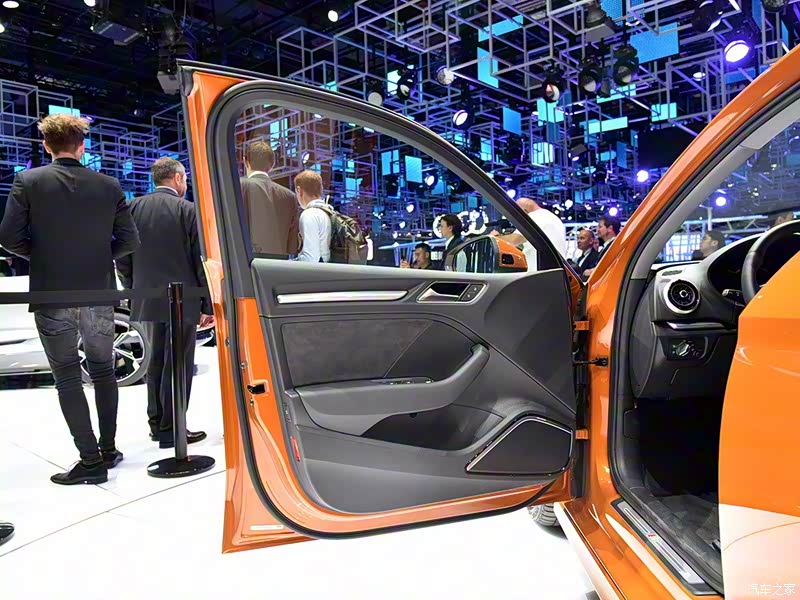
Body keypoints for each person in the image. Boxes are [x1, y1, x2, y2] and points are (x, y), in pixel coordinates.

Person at [0, 114, 139, 485]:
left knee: (66, 376)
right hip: (98, 291)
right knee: (104, 370)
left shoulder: (28, 181)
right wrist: (99, 257)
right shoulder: (109, 185)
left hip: (53, 292)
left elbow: (8, 237)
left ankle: (91, 460)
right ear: (82, 146)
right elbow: (129, 240)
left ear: (47, 145)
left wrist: (44, 257)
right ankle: (108, 450)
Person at [116, 158, 211, 449]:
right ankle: (173, 429)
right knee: (178, 362)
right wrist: (207, 304)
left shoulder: (132, 208)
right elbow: (199, 260)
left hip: (146, 296)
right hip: (183, 299)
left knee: (155, 360)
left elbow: (121, 256)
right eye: (185, 179)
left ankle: (157, 424)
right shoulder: (188, 210)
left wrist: (133, 288)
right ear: (178, 178)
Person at [240, 141, 300, 256]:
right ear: (272, 165)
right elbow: (292, 247)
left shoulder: (237, 186)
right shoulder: (290, 196)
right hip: (277, 264)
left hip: (245, 262)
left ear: (245, 161)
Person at [491, 197, 566, 271]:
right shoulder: (553, 218)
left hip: (539, 272)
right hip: (557, 271)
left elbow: (515, 240)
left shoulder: (534, 216)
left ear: (524, 211)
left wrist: (494, 237)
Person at [294, 170, 331, 263]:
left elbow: (310, 258)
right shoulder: (330, 212)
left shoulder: (309, 215)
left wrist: (286, 264)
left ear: (299, 190)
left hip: (320, 271)